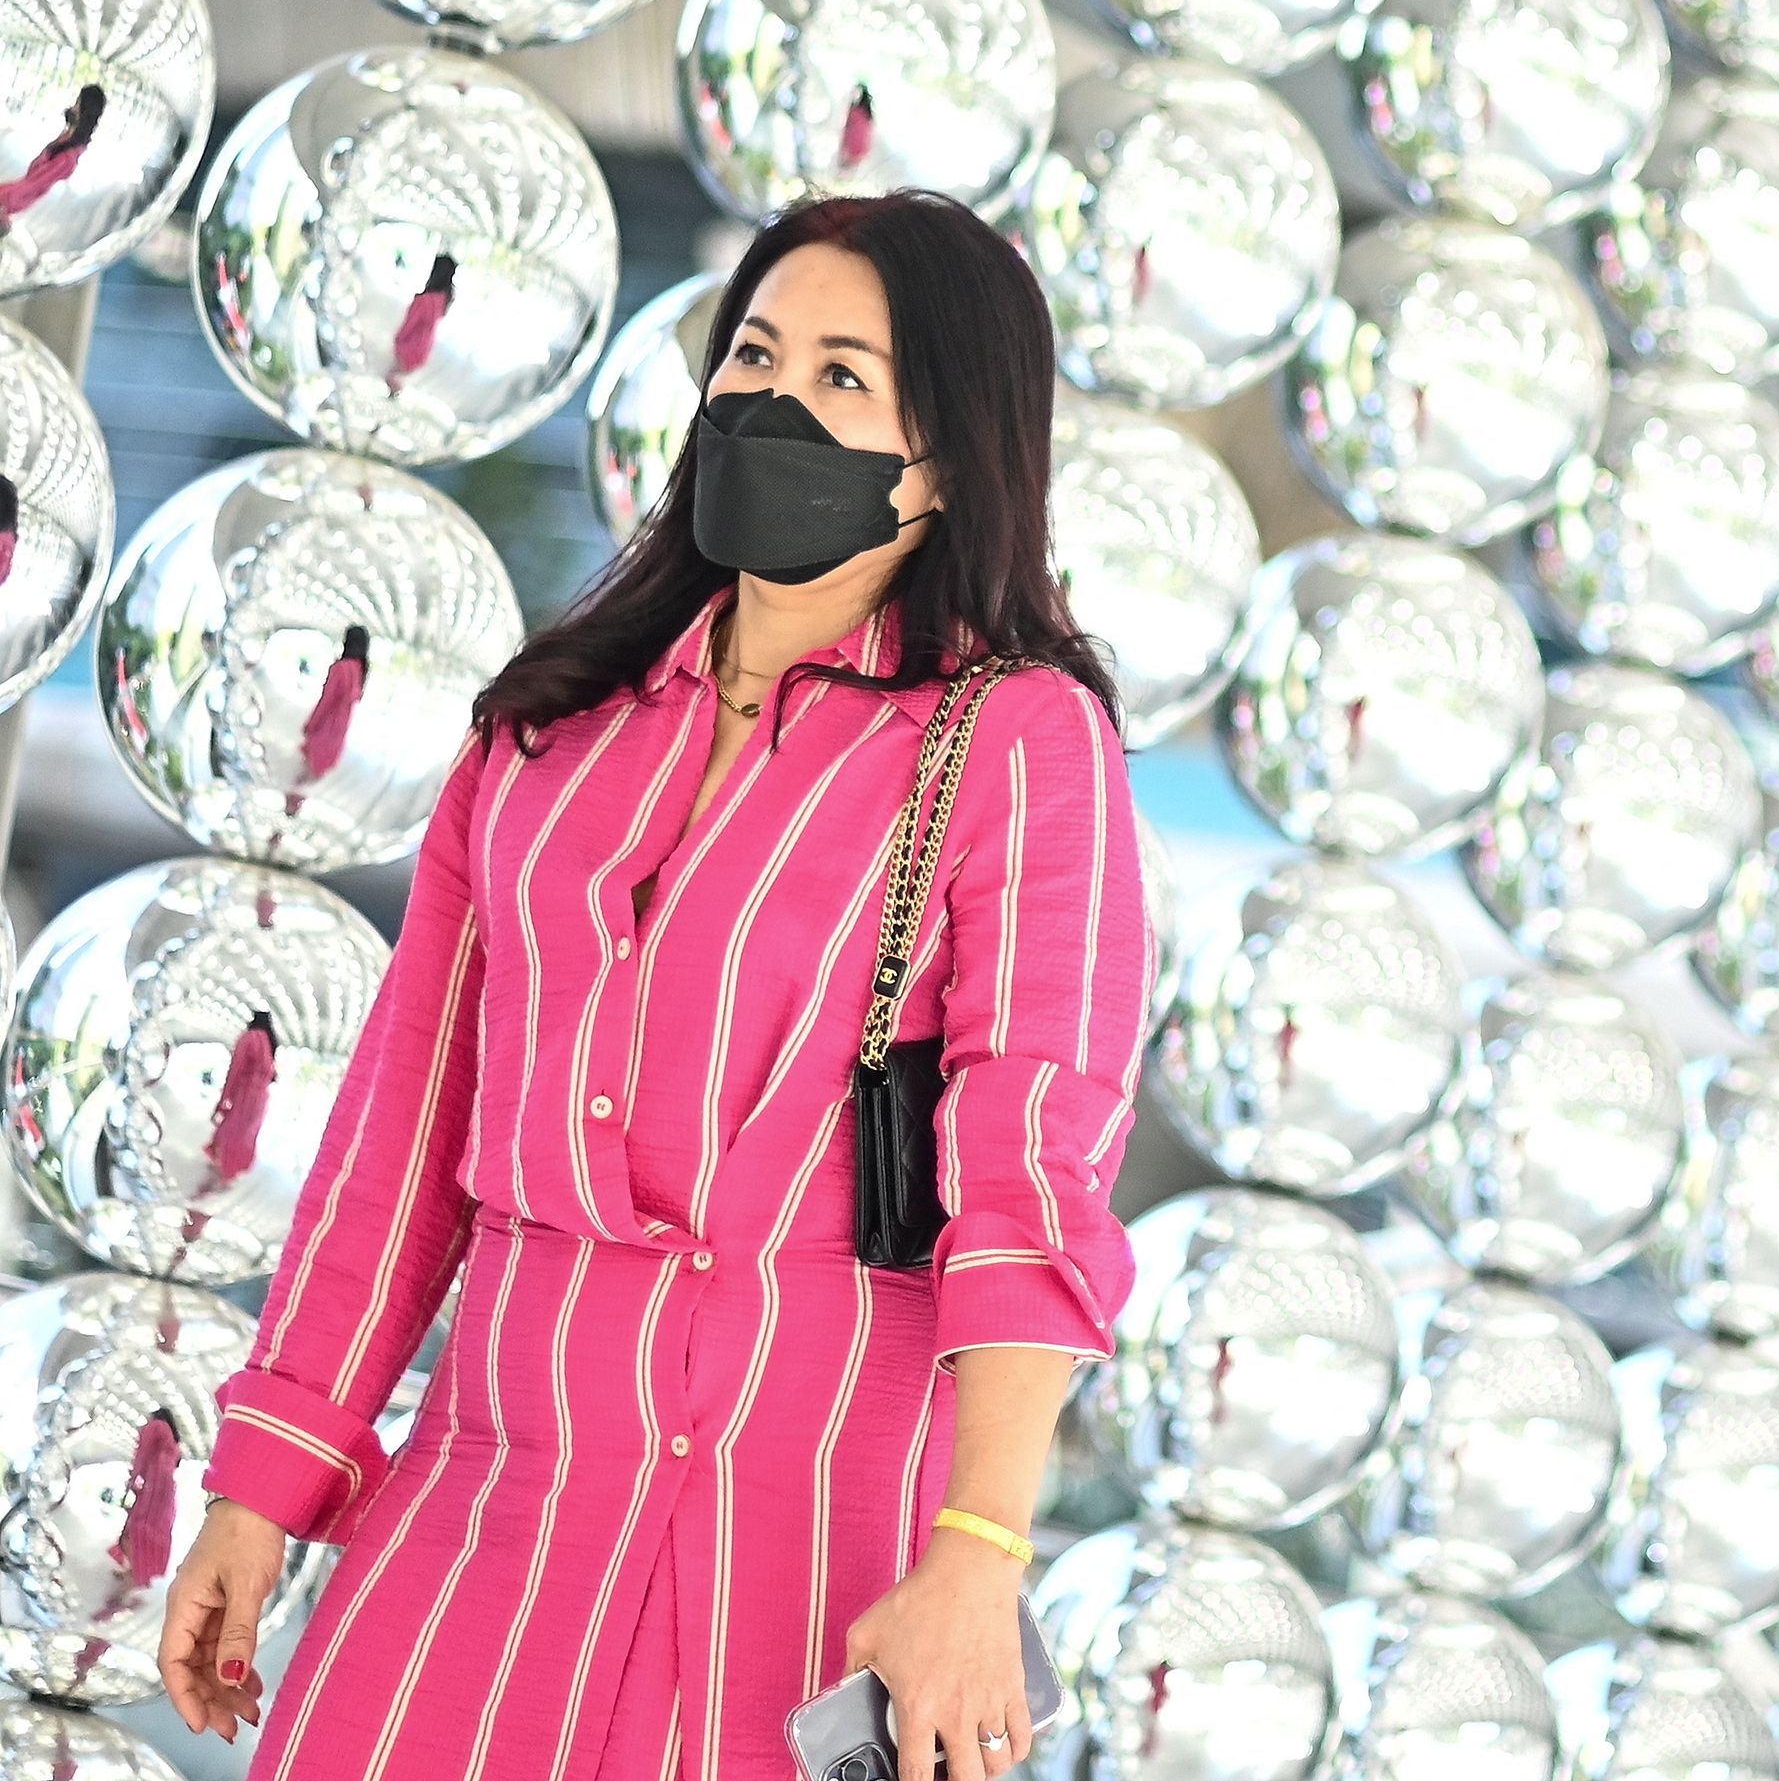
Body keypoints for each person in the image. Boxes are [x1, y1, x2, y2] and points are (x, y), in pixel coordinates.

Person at [156, 190, 1155, 1781]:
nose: (774, 401)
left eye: (844, 376)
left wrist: (979, 1550)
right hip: (478, 1524)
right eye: (753, 355)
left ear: (952, 450)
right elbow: (399, 1146)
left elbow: (1035, 1176)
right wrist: (265, 1482)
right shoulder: (548, 740)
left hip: (817, 1571)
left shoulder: (1019, 741)